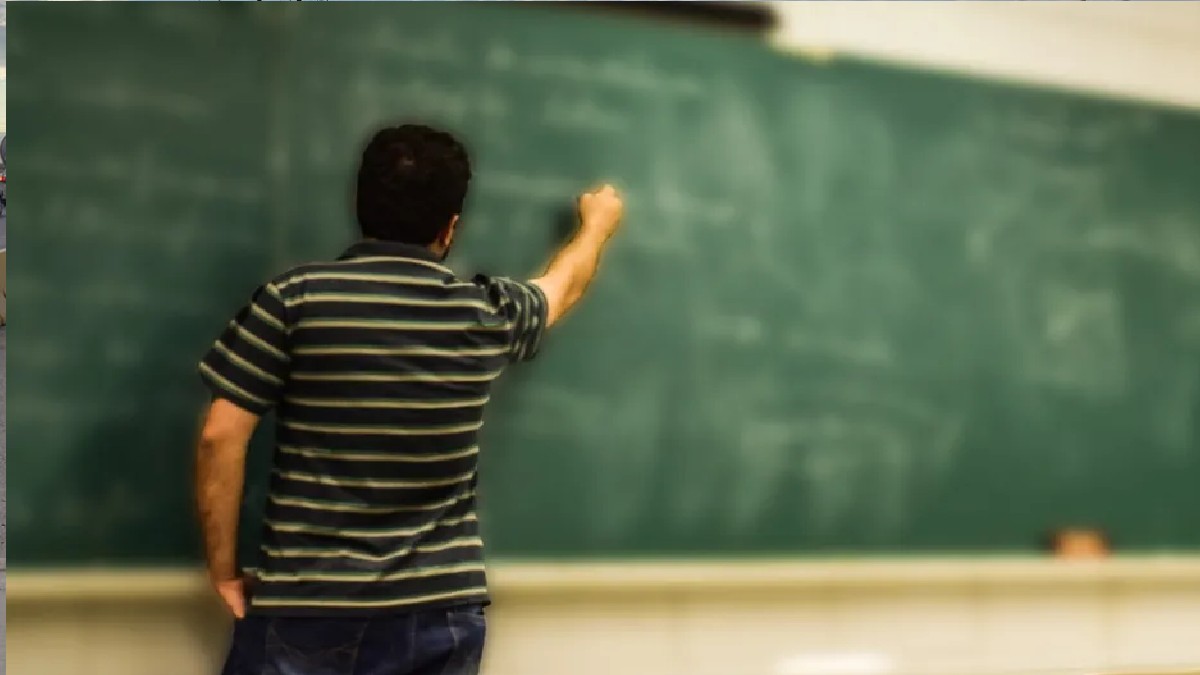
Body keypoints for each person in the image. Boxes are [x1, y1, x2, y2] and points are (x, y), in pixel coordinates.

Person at [194, 123, 624, 675]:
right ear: (450, 228)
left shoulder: (294, 301)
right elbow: (560, 288)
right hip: (436, 612)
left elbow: (219, 435)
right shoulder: (483, 313)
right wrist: (597, 228)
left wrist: (223, 570)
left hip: (309, 606)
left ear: (359, 204)